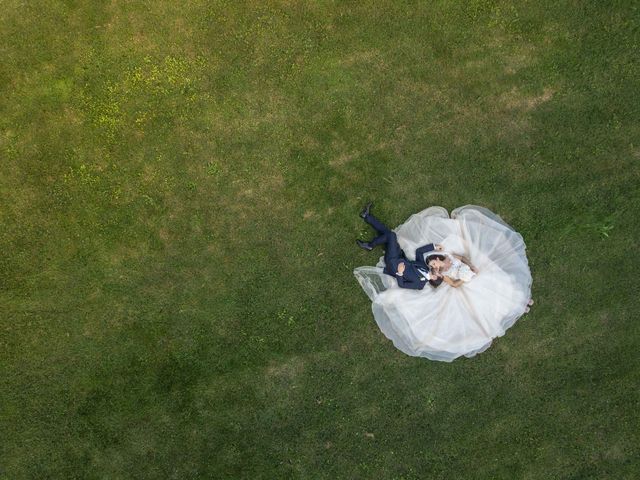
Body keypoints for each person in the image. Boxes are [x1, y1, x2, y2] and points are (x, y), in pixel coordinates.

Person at [354, 205, 534, 362]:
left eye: (434, 263)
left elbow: (431, 254)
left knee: (497, 286)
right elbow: (438, 284)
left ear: (438, 259)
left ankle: (521, 301)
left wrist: (466, 265)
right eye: (432, 266)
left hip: (466, 273)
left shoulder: (447, 258)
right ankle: (370, 233)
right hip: (461, 280)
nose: (433, 266)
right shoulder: (436, 277)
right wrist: (453, 279)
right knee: (487, 300)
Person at [356, 203, 443, 289]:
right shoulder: (425, 267)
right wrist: (434, 247)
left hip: (393, 263)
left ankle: (370, 245)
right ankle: (367, 216)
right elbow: (419, 252)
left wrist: (400, 273)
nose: (437, 270)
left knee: (391, 235)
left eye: (438, 273)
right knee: (387, 233)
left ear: (435, 278)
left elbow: (402, 285)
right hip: (398, 255)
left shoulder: (420, 284)